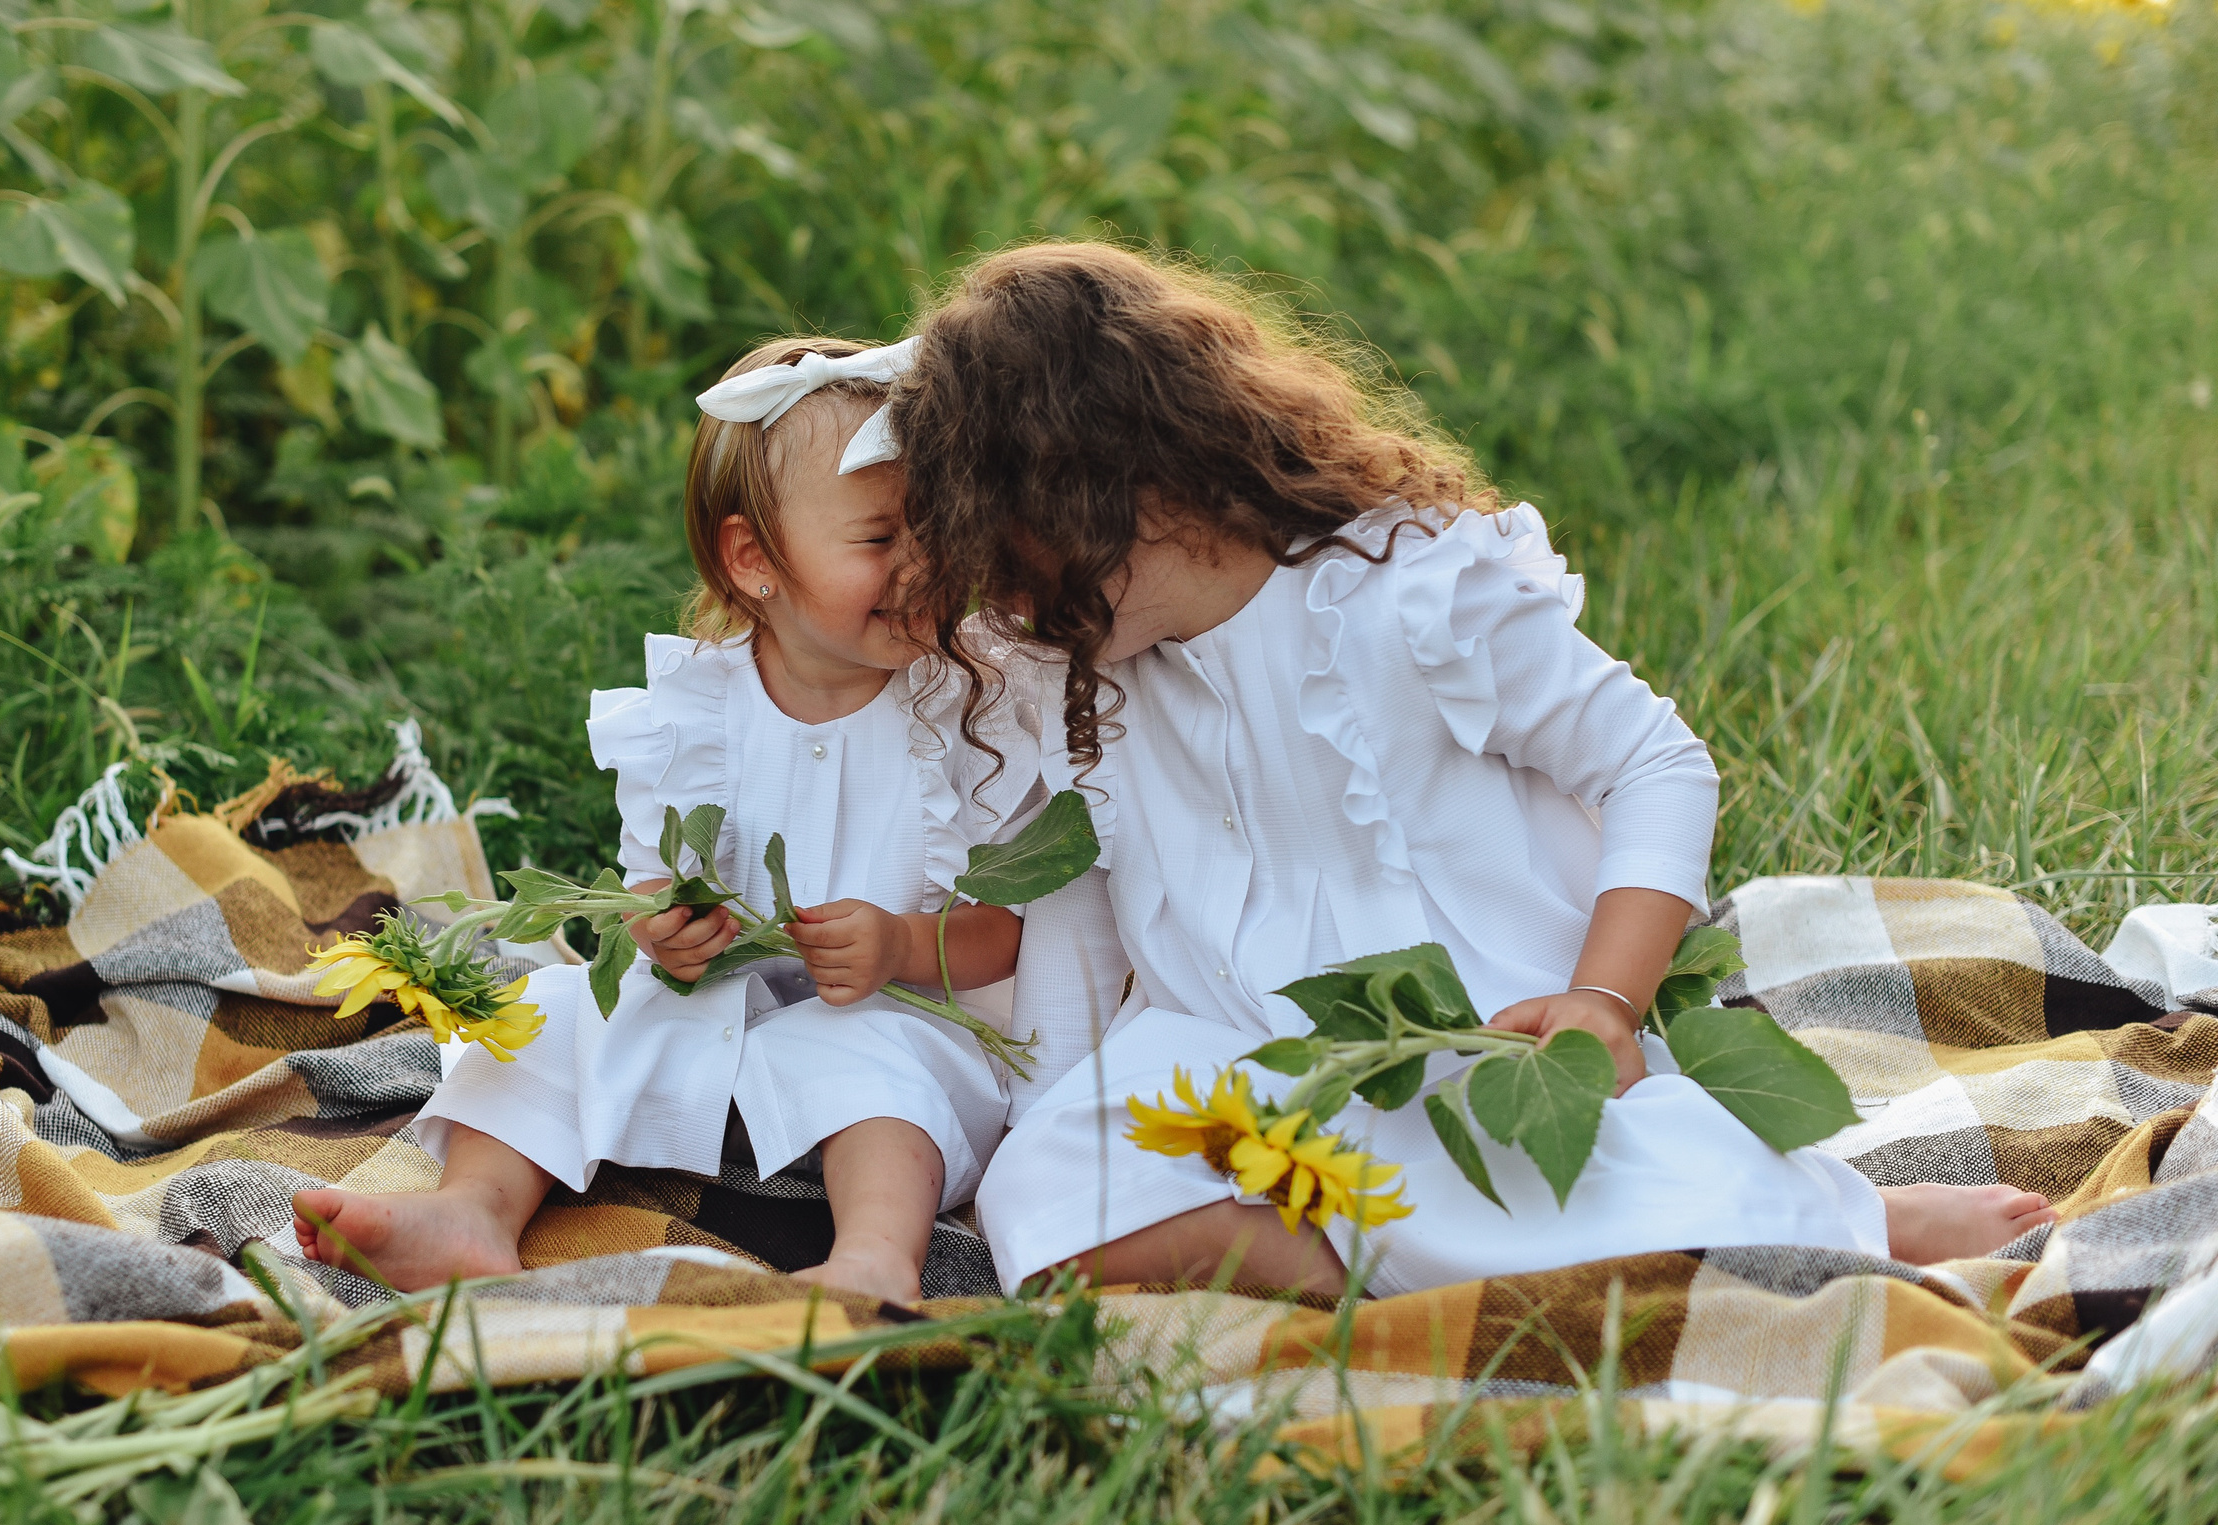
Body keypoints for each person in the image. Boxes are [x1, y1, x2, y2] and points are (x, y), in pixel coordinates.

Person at [880, 242, 2055, 1296]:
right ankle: (1364, 1264)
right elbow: (1080, 920)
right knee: (1045, 1204)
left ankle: (1839, 1215)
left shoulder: (1411, 600)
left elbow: (1652, 763)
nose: (1002, 605)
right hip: (1233, 1055)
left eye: (1013, 561)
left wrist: (1603, 998)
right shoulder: (1091, 670)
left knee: (1519, 1169)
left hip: (1470, 1041)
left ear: (1131, 489)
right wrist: (1051, 1110)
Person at [293, 338, 1038, 1304]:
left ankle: (874, 1258)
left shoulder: (969, 709)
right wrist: (664, 926)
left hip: (900, 1029)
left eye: (941, 528)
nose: (923, 565)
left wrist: (900, 945)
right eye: (880, 539)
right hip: (719, 1026)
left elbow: (1009, 933)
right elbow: (650, 883)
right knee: (557, 1008)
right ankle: (474, 1209)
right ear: (753, 561)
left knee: (876, 1056)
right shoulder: (695, 713)